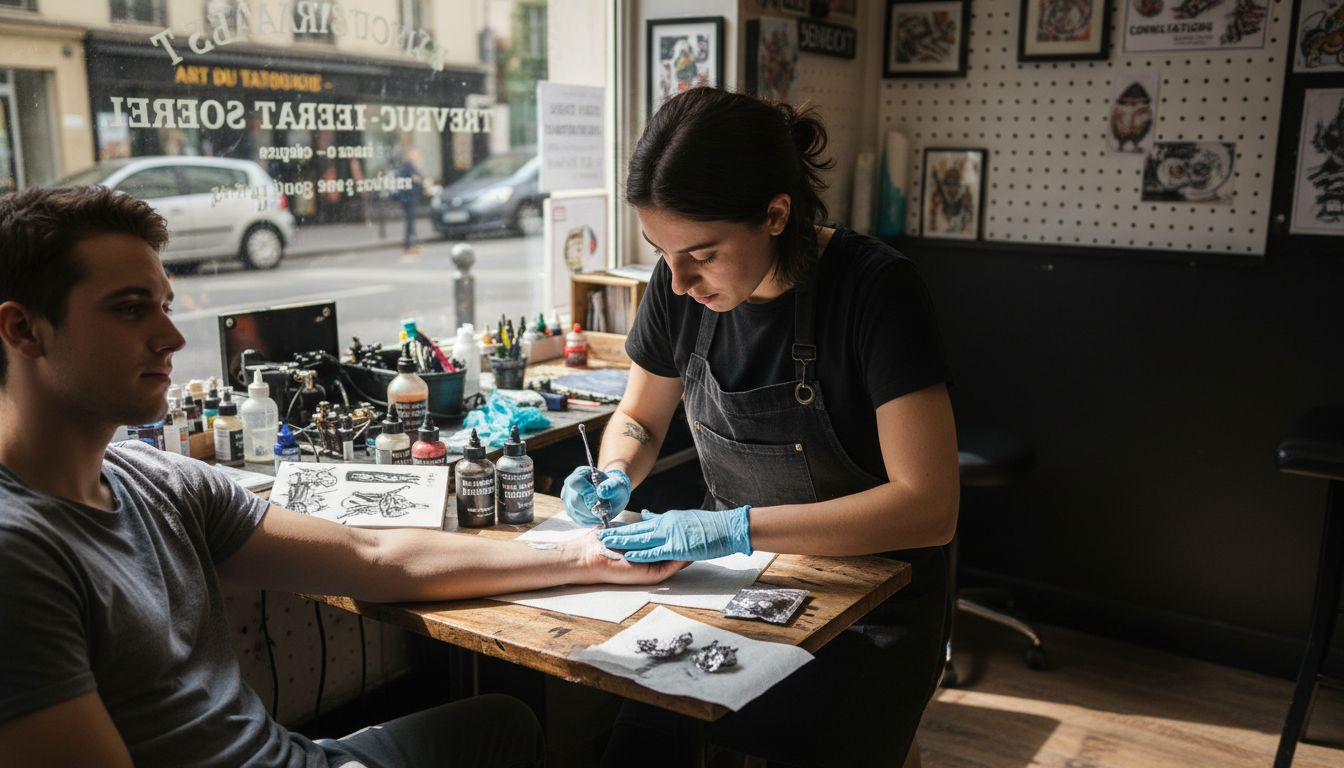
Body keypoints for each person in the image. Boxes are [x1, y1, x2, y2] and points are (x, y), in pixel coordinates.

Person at [0, 185, 684, 767]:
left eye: (165, 305)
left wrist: (580, 554)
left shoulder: (155, 479)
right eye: (128, 309)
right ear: (23, 331)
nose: (172, 338)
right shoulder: (18, 554)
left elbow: (371, 555)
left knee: (505, 725)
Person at [561, 88, 960, 767]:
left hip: (873, 603)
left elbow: (929, 508)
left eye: (703, 254)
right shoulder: (675, 286)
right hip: (736, 585)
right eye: (662, 251)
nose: (679, 279)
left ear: (776, 213)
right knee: (640, 747)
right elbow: (637, 417)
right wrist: (615, 473)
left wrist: (732, 526)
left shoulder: (876, 291)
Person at [396, 147, 424, 254]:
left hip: (410, 198)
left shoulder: (410, 167)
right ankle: (408, 245)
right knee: (410, 223)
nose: (417, 156)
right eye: (415, 154)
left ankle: (413, 244)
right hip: (408, 198)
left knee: (411, 223)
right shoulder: (408, 167)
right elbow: (414, 181)